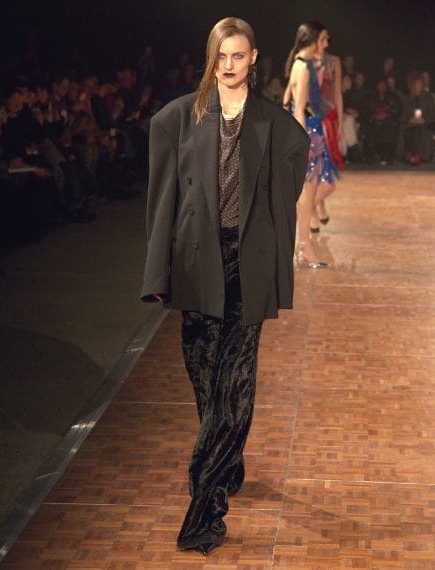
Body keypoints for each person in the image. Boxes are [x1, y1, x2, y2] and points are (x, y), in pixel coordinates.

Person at [140, 17, 309, 554]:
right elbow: (162, 204)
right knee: (205, 381)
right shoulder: (177, 119)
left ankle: (204, 507)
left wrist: (270, 236)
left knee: (234, 386)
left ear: (254, 57)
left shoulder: (274, 124)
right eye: (222, 55)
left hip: (245, 266)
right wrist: (158, 273)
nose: (230, 65)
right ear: (211, 58)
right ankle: (226, 459)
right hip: (196, 266)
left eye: (239, 55)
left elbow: (294, 167)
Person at [284, 21, 338, 267]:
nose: (325, 44)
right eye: (323, 39)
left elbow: (289, 100)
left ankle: (302, 243)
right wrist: (303, 142)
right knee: (307, 193)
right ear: (313, 40)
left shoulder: (299, 63)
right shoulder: (303, 67)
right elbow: (298, 109)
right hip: (309, 131)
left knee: (309, 192)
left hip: (310, 129)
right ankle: (303, 245)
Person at [312, 24, 344, 229]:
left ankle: (313, 205)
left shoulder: (334, 62)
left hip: (329, 118)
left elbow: (337, 92)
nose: (326, 43)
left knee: (327, 166)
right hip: (311, 119)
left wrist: (340, 122)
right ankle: (312, 209)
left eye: (327, 39)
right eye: (323, 39)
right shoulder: (304, 61)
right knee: (315, 166)